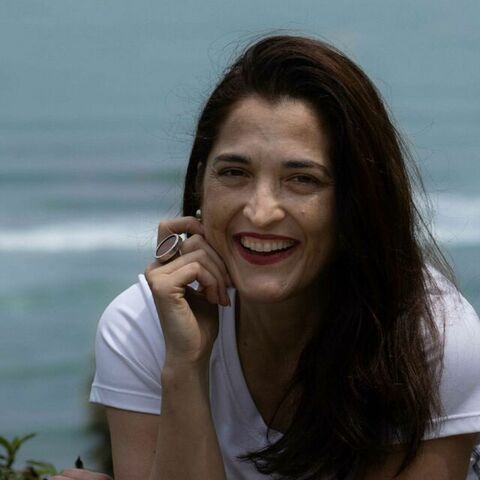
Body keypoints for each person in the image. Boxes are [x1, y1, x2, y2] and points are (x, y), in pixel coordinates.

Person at [53, 35, 480, 480]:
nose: (260, 211)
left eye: (302, 179)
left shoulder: (432, 338)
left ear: (356, 201)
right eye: (234, 172)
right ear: (200, 182)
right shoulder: (145, 326)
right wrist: (185, 366)